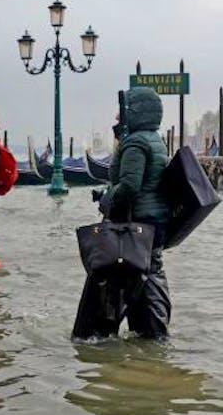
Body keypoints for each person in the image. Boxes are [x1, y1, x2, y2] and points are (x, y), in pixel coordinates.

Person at [73, 87, 171, 340]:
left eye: (123, 111)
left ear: (136, 111)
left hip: (136, 223)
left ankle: (104, 338)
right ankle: (149, 340)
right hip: (153, 224)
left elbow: (129, 186)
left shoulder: (136, 143)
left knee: (123, 279)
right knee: (145, 275)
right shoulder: (154, 139)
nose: (118, 116)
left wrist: (107, 198)